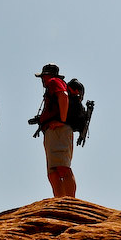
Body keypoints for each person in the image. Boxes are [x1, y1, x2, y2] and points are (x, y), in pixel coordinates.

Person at [33, 63, 77, 198]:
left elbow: (63, 96)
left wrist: (61, 121)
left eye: (43, 76)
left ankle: (72, 203)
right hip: (52, 131)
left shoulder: (54, 81)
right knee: (53, 170)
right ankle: (60, 202)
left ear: (47, 75)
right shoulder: (52, 84)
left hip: (59, 130)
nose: (42, 79)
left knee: (62, 167)